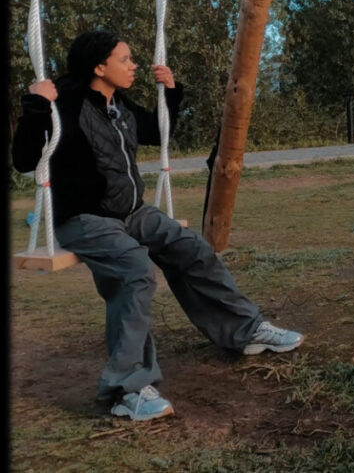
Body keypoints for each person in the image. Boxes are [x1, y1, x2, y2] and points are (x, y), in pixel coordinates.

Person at [12, 30, 305, 422]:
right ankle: (125, 389)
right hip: (84, 220)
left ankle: (244, 331)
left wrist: (169, 94)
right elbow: (23, 159)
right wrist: (35, 105)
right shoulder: (63, 102)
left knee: (192, 248)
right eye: (125, 59)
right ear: (99, 67)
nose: (134, 65)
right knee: (135, 270)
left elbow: (153, 132)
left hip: (132, 212)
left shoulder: (118, 102)